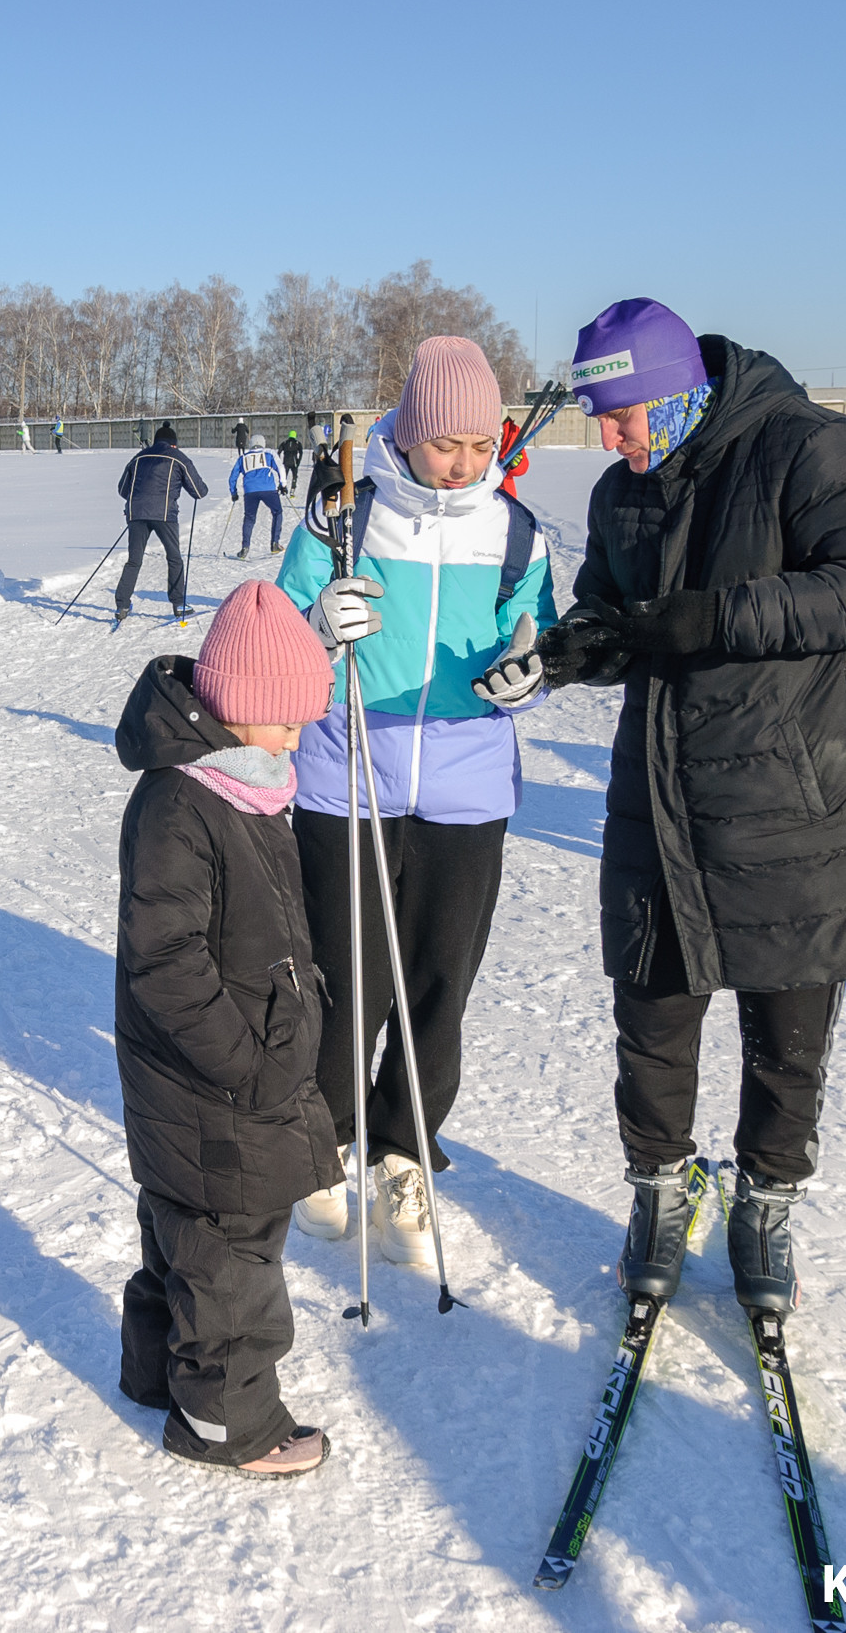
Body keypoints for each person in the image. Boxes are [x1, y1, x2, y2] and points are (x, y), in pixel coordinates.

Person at [536, 297, 846, 1313]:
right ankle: (658, 1191)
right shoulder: (623, 493)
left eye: (621, 416)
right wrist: (578, 648)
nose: (608, 440)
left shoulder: (813, 450)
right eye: (599, 419)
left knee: (786, 1031)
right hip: (662, 800)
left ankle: (764, 1202)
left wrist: (717, 617)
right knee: (650, 1017)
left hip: (791, 803)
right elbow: (614, 612)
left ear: (676, 395)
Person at [274, 337, 556, 1260]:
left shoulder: (516, 533)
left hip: (468, 787)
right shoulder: (342, 520)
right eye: (445, 444)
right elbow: (281, 642)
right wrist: (318, 630)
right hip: (348, 776)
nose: (464, 463)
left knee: (438, 982)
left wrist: (529, 672)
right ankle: (324, 1143)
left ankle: (404, 1151)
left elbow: (538, 635)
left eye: (479, 445)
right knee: (341, 976)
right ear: (407, 432)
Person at [113, 579, 342, 1479]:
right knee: (230, 1253)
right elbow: (165, 962)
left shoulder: (241, 784)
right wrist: (246, 1064)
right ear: (234, 705)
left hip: (222, 1072)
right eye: (282, 720)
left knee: (187, 1232)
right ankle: (227, 1425)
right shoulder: (183, 804)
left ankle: (155, 1377)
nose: (294, 738)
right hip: (212, 1079)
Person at [114, 423, 208, 623]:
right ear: (173, 443)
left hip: (136, 514)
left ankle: (122, 605)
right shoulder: (178, 457)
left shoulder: (138, 457)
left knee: (134, 560)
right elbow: (199, 491)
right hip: (165, 514)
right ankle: (179, 604)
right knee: (174, 558)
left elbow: (122, 489)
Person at [229, 434, 287, 558]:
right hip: (268, 490)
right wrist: (283, 484)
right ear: (263, 444)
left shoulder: (243, 458)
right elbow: (280, 468)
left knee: (249, 518)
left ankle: (245, 547)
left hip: (250, 491)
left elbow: (232, 477)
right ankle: (275, 543)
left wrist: (234, 493)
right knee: (277, 512)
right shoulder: (268, 454)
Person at [279, 429, 304, 500]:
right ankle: (292, 491)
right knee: (294, 476)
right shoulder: (297, 443)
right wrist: (298, 461)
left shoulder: (284, 442)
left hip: (286, 462)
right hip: (294, 462)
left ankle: (282, 488)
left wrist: (279, 461)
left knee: (284, 476)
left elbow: (279, 451)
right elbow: (301, 452)